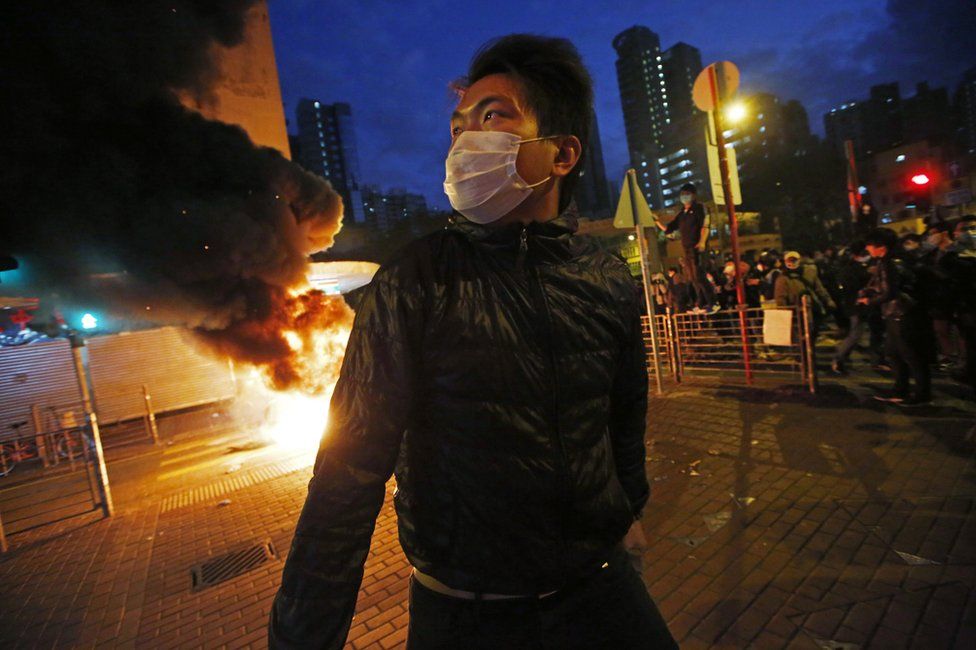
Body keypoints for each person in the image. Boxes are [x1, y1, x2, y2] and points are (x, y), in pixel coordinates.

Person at [269, 34, 676, 650]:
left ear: (562, 154)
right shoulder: (415, 281)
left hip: (599, 589)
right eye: (459, 125)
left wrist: (630, 513)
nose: (464, 142)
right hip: (466, 615)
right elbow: (347, 474)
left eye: (493, 117)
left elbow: (624, 413)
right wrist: (301, 638)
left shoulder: (604, 277)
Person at [860, 228, 931, 406]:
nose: (867, 249)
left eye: (869, 245)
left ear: (881, 246)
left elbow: (890, 292)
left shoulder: (889, 262)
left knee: (910, 354)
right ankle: (901, 389)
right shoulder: (899, 259)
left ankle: (921, 393)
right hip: (899, 312)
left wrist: (869, 300)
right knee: (893, 353)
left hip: (900, 312)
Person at [654, 183, 719, 314]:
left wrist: (702, 242)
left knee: (699, 276)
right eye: (682, 194)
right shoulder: (682, 214)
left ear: (693, 195)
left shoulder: (700, 208)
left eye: (687, 194)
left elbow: (705, 226)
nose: (684, 197)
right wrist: (657, 221)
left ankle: (713, 303)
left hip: (698, 247)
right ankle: (701, 304)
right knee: (693, 278)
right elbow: (668, 229)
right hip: (687, 249)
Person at [831, 243, 872, 374]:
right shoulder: (853, 269)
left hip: (853, 305)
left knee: (855, 333)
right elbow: (852, 287)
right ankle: (838, 359)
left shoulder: (850, 267)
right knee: (855, 334)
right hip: (856, 305)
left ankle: (842, 359)